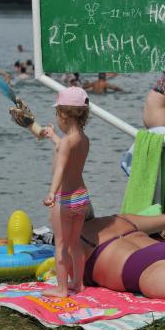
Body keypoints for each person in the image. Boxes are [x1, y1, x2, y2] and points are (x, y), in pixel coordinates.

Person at [41, 87, 91, 297]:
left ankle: (62, 288)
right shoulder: (83, 139)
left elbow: (61, 168)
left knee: (61, 245)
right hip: (82, 197)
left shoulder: (67, 143)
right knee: (75, 243)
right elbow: (66, 150)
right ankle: (78, 284)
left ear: (63, 114)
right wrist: (53, 136)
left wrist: (52, 192)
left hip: (66, 199)